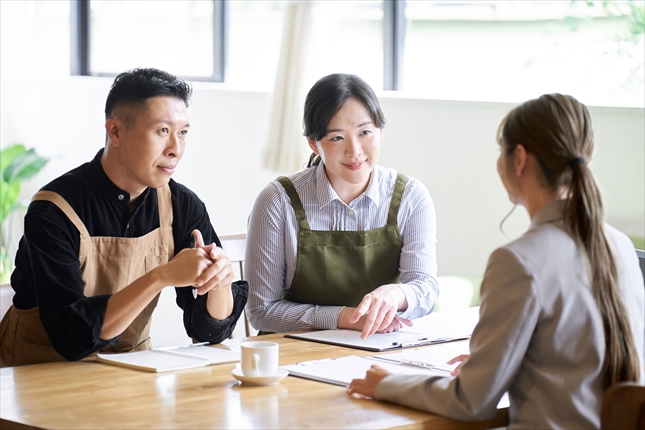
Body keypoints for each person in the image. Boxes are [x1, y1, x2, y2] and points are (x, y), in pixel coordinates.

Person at [346, 94, 644, 429]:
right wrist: (507, 361)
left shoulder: (518, 261)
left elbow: (471, 401)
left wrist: (386, 384)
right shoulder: (620, 246)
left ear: (519, 159)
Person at [0, 68, 248, 366]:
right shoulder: (53, 210)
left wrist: (219, 283)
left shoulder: (182, 206)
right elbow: (72, 337)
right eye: (162, 131)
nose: (176, 149)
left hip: (130, 369)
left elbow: (207, 331)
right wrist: (160, 276)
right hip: (38, 372)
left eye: (182, 132)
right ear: (115, 131)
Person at [246, 73, 438, 339]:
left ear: (381, 132)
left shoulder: (411, 197)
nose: (355, 151)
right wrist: (343, 318)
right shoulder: (277, 201)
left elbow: (425, 288)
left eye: (365, 132)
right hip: (293, 354)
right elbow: (261, 311)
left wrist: (398, 293)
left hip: (378, 351)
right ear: (313, 143)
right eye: (337, 138)